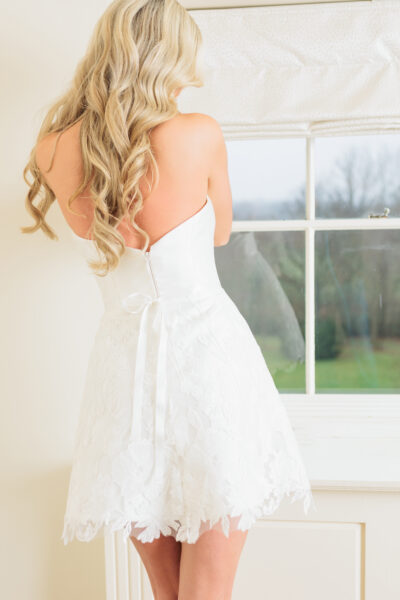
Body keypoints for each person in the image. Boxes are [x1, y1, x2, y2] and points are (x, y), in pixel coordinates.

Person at [22, 1, 314, 598]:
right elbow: (221, 231)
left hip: (121, 376)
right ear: (170, 56)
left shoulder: (53, 148)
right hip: (207, 364)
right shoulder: (197, 133)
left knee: (168, 587)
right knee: (207, 590)